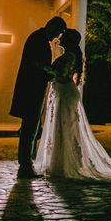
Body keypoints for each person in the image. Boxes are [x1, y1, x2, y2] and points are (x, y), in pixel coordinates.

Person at [34, 28, 111, 180]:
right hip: (62, 93)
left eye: (64, 36)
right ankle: (60, 163)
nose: (60, 37)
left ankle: (66, 164)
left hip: (65, 94)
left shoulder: (69, 56)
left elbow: (62, 75)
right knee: (61, 127)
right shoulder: (68, 55)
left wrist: (43, 67)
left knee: (65, 127)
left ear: (69, 41)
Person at [10, 16, 67, 179]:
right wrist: (53, 72)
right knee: (30, 127)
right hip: (31, 89)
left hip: (34, 88)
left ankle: (26, 162)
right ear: (52, 27)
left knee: (31, 127)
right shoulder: (38, 39)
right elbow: (36, 63)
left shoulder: (39, 38)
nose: (57, 37)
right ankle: (25, 165)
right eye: (58, 32)